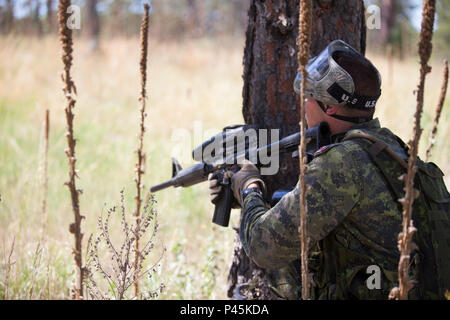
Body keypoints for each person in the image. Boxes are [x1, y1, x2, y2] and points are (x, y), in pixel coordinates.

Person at [208, 40, 450, 300]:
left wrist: (248, 188)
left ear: (330, 107)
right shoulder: (387, 146)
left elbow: (262, 246)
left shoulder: (341, 163)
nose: (304, 106)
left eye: (309, 98)